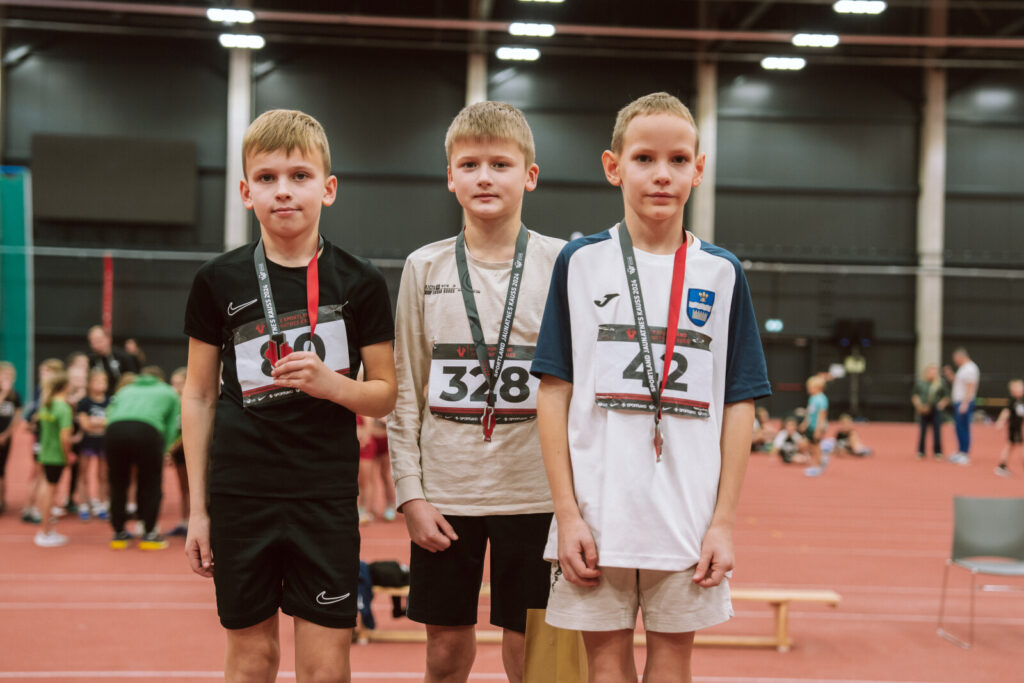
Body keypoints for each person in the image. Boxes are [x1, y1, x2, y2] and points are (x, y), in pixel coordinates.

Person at [531, 92, 770, 683]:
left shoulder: (722, 272)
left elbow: (739, 403)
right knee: (604, 665)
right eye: (644, 159)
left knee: (673, 663)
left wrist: (723, 522)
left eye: (678, 160)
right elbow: (554, 392)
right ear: (613, 166)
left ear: (699, 169)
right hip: (597, 516)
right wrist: (567, 514)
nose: (662, 174)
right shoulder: (580, 262)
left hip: (686, 519)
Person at [182, 108, 396, 683]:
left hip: (323, 496)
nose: (283, 190)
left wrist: (333, 385)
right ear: (246, 191)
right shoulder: (216, 281)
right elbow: (198, 396)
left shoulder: (361, 281)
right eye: (267, 178)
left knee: (325, 668)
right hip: (241, 495)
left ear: (328, 188)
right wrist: (198, 511)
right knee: (252, 660)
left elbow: (384, 395)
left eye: (300, 176)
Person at [388, 100, 563, 683]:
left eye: (500, 164)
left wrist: (574, 503)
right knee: (443, 655)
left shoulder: (562, 264)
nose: (484, 177)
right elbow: (404, 389)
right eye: (469, 165)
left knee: (531, 657)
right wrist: (410, 495)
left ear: (529, 175)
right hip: (446, 495)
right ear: (450, 177)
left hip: (536, 495)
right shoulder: (424, 266)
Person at [105, 366, 180, 550]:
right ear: (161, 379)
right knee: (151, 482)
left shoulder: (125, 389)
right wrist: (165, 449)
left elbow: (110, 413)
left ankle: (119, 533)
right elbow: (173, 425)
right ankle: (149, 533)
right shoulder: (168, 392)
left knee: (118, 482)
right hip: (148, 431)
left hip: (114, 430)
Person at [32, 370, 74, 547]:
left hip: (45, 453)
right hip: (56, 455)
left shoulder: (46, 405)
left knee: (47, 489)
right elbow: (65, 437)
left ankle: (46, 529)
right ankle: (45, 531)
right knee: (51, 491)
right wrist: (68, 454)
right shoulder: (63, 408)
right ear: (65, 386)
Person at [75, 369, 110, 520]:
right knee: (83, 473)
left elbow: (112, 421)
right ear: (89, 384)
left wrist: (95, 422)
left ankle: (102, 504)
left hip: (104, 442)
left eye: (103, 381)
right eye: (97, 381)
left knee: (103, 475)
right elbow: (85, 425)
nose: (101, 384)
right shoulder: (84, 402)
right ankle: (83, 505)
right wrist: (102, 423)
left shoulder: (110, 401)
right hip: (87, 442)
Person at [165, 367, 189, 536]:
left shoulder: (190, 402)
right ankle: (183, 521)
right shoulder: (172, 404)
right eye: (173, 383)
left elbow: (189, 432)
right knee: (183, 488)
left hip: (189, 450)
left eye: (180, 383)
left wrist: (171, 448)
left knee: (196, 489)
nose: (175, 387)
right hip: (178, 452)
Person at [0, 362, 24, 515]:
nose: (7, 378)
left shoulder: (15, 396)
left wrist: (5, 435)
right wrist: (3, 394)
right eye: (4, 375)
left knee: (1, 469)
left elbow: (17, 418)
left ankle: (2, 500)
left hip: (5, 438)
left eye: (10, 376)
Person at [948, 348, 980, 465]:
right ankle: (960, 451)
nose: (954, 361)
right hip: (960, 401)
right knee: (958, 427)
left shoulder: (970, 368)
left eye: (955, 359)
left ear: (961, 356)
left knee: (963, 427)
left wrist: (965, 403)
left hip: (964, 402)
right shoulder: (963, 368)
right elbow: (958, 383)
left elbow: (971, 387)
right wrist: (950, 375)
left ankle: (965, 454)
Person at [912, 363, 948, 460]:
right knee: (923, 430)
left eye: (935, 371)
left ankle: (938, 451)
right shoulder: (921, 383)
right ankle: (921, 451)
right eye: (931, 371)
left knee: (937, 431)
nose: (933, 373)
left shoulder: (940, 383)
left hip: (935, 409)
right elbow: (915, 395)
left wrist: (941, 405)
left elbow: (946, 397)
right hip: (924, 408)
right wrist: (919, 405)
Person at [86, 325, 140, 389]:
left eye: (99, 340)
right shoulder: (90, 361)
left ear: (108, 339)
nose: (97, 345)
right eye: (93, 342)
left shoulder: (124, 357)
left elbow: (133, 377)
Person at [994, 378, 1024, 477]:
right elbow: (1006, 411)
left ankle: (1002, 465)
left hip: (1018, 427)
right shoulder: (1012, 401)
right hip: (1014, 428)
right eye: (1019, 388)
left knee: (1011, 446)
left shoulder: (1021, 400)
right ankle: (1001, 466)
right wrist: (1000, 422)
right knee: (1016, 446)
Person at [800, 375, 829, 477]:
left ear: (818, 387)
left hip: (818, 427)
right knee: (808, 445)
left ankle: (818, 466)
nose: (808, 389)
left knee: (816, 447)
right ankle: (818, 461)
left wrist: (818, 430)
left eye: (810, 387)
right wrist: (805, 424)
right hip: (811, 426)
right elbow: (809, 413)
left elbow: (822, 416)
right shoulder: (812, 398)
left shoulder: (822, 399)